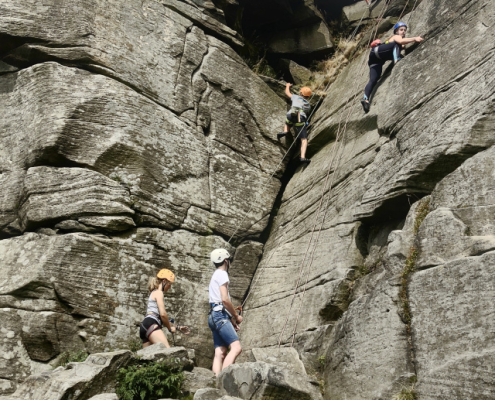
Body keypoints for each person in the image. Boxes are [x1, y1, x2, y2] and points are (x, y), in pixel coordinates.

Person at [361, 22, 423, 113]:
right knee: (397, 45)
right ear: (396, 31)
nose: (403, 32)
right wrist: (415, 39)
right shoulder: (396, 37)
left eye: (405, 30)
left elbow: (401, 45)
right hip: (378, 51)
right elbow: (401, 42)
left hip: (376, 59)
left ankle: (365, 99)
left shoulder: (393, 42)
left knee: (373, 79)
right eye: (401, 30)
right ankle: (396, 59)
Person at [208, 248, 243, 376]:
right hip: (219, 316)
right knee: (236, 347)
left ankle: (215, 381)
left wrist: (232, 322)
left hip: (213, 316)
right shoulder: (222, 274)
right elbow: (224, 299)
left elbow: (217, 302)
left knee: (220, 351)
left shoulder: (214, 275)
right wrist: (236, 316)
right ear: (226, 261)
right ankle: (223, 381)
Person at [139, 269, 189, 348]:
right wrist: (170, 329)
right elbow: (163, 314)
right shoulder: (159, 293)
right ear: (164, 281)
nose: (169, 287)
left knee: (149, 359)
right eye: (169, 284)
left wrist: (177, 327)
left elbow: (161, 318)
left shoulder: (154, 292)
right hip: (151, 325)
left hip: (145, 326)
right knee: (168, 353)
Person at [277, 84, 312, 164]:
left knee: (288, 122)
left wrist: (287, 86)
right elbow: (306, 111)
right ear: (308, 97)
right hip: (300, 118)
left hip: (290, 114)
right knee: (304, 140)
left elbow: (287, 92)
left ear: (301, 93)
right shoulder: (308, 105)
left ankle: (285, 131)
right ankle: (302, 157)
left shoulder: (295, 97)